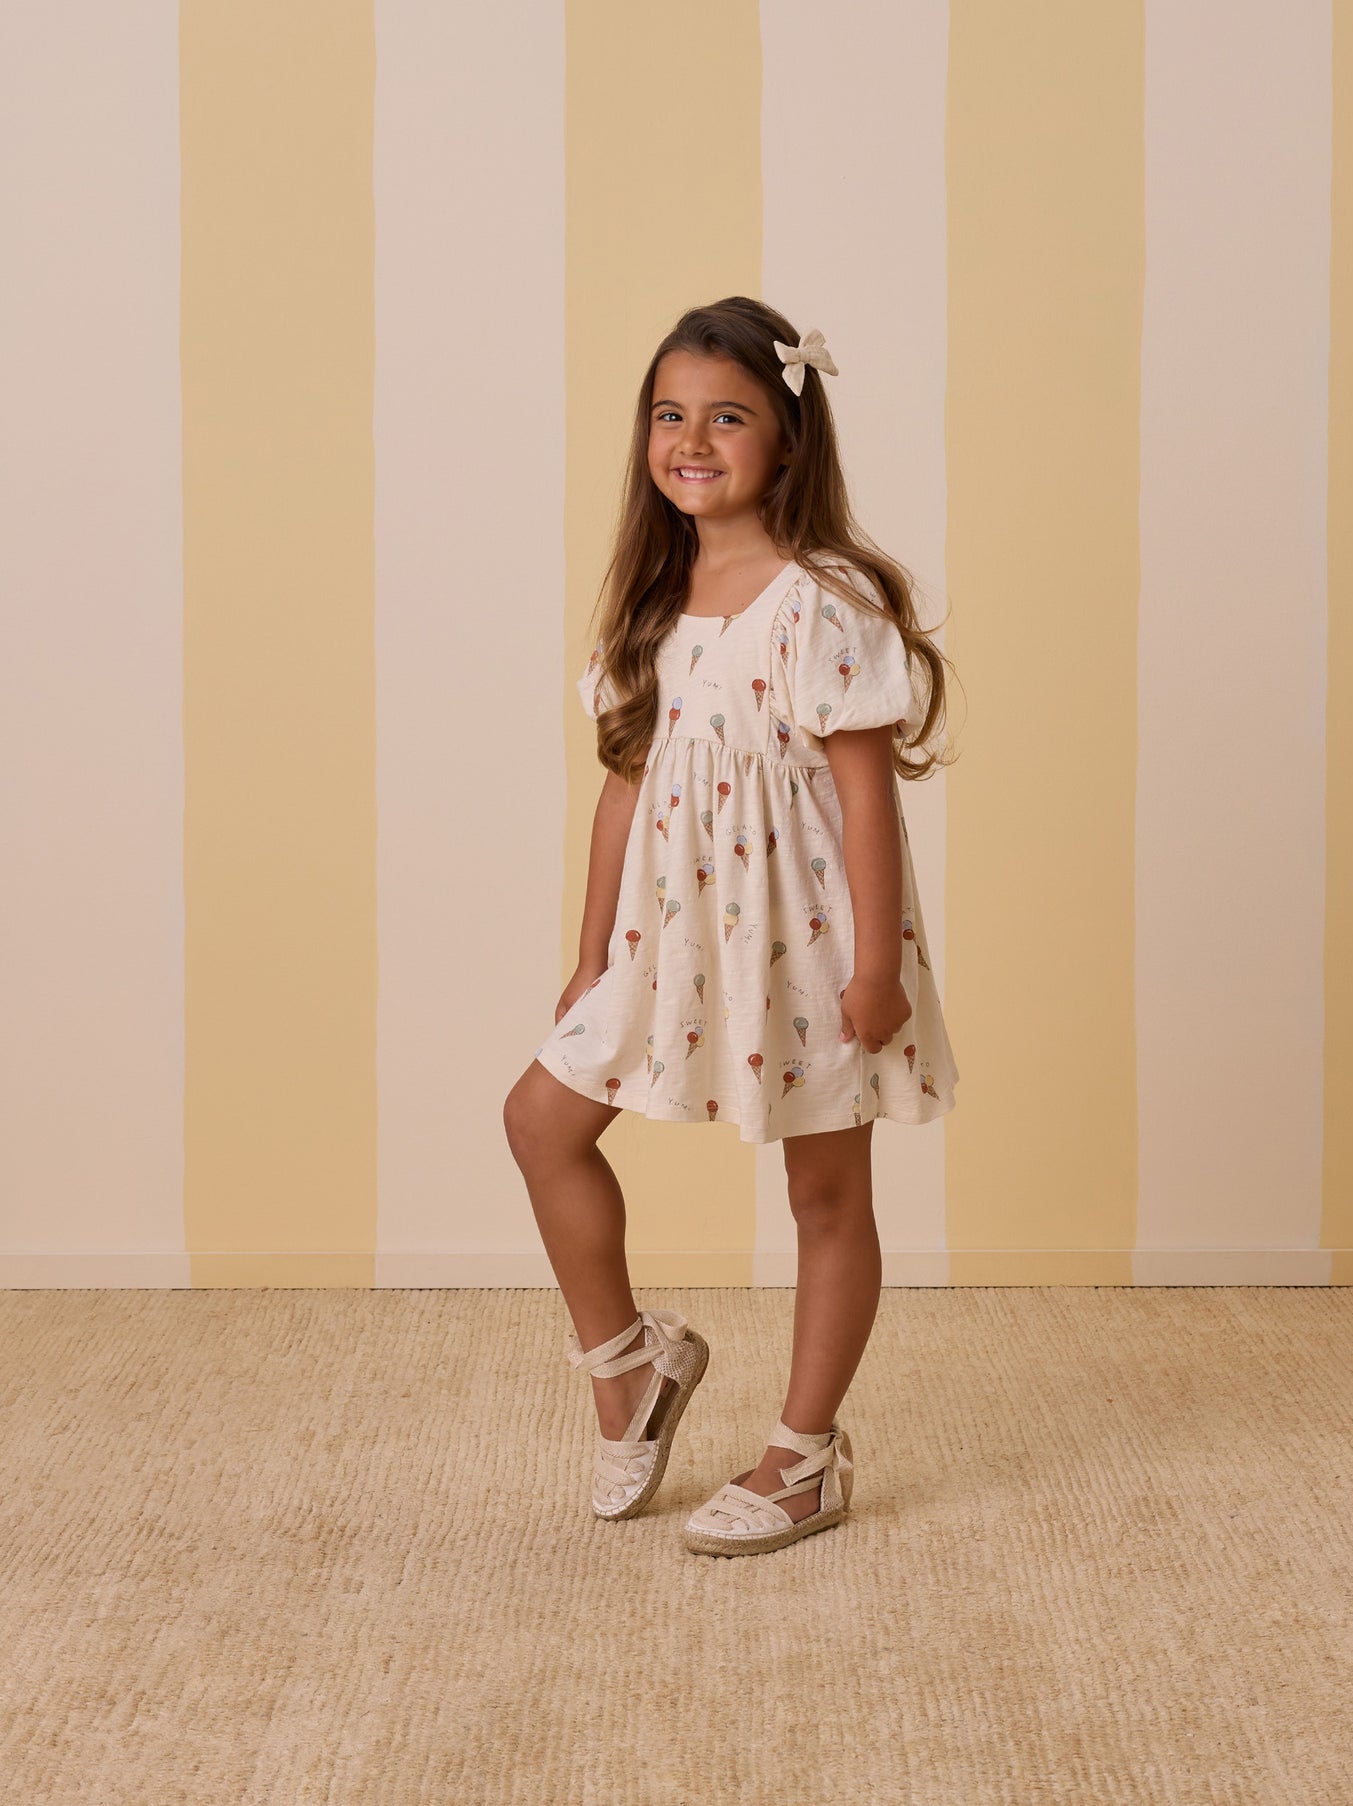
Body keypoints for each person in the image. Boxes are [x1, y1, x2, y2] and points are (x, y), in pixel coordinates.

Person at [503, 296, 960, 1557]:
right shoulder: (653, 599)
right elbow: (622, 787)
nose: (691, 441)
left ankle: (802, 1457)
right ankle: (629, 1368)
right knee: (539, 1121)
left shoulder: (824, 601)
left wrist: (876, 967)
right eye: (669, 414)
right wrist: (588, 955)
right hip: (667, 935)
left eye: (727, 417)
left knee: (825, 1190)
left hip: (807, 939)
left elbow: (864, 800)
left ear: (788, 440)